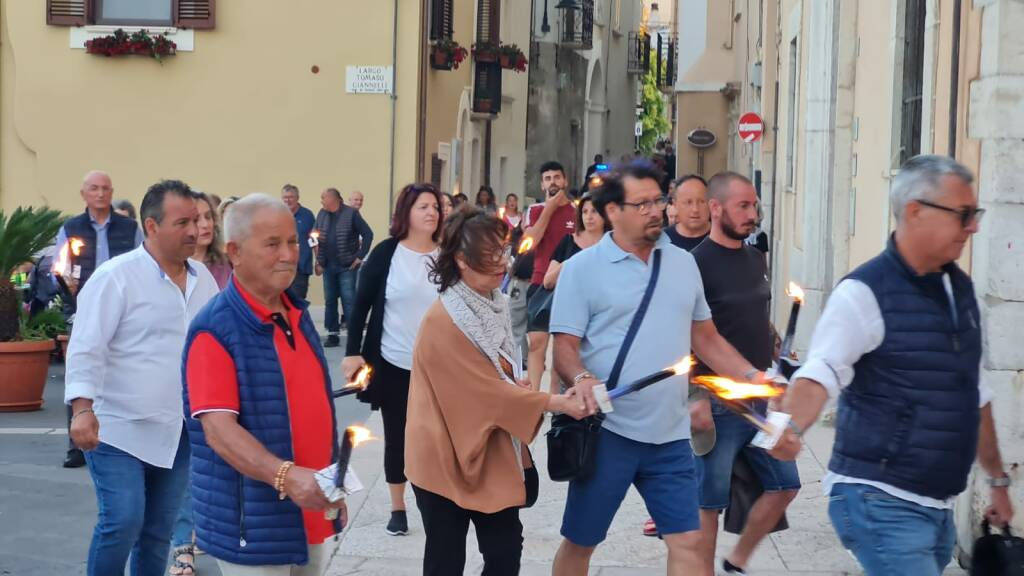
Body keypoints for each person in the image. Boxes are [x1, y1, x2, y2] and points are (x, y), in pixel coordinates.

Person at [771, 155, 1014, 576]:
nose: (973, 226)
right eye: (964, 214)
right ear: (916, 211)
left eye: (975, 214)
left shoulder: (960, 290)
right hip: (878, 499)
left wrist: (996, 480)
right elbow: (822, 370)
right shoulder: (863, 293)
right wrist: (791, 426)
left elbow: (974, 394)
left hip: (935, 507)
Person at [549, 163, 773, 576]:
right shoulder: (582, 270)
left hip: (670, 436)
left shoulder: (683, 264)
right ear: (613, 211)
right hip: (609, 432)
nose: (656, 211)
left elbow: (706, 339)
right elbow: (563, 348)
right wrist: (581, 379)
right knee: (582, 542)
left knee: (688, 542)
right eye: (643, 204)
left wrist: (753, 378)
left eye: (659, 201)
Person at [404, 207, 587, 576]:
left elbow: (495, 375)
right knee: (445, 559)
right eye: (489, 254)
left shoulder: (495, 303)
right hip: (442, 451)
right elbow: (482, 392)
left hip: (489, 444)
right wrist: (554, 403)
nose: (501, 261)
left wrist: (512, 381)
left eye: (502, 250)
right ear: (461, 259)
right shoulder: (443, 320)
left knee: (505, 552)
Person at [183, 194, 347, 575]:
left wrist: (332, 484)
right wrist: (286, 477)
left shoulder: (297, 312)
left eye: (292, 241)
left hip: (308, 510)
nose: (288, 254)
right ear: (236, 252)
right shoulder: (215, 329)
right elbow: (219, 431)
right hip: (253, 525)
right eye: (272, 244)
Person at [65, 180, 219, 576]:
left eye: (198, 219)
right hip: (117, 428)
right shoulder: (116, 277)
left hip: (179, 430)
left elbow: (217, 347)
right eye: (182, 221)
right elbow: (86, 345)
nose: (193, 230)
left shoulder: (204, 279)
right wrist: (81, 409)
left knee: (158, 531)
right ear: (151, 226)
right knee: (123, 521)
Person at [688, 172, 800, 575]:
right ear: (715, 209)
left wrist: (773, 345)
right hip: (716, 404)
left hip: (760, 399)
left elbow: (754, 315)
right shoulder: (695, 264)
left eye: (754, 206)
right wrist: (694, 398)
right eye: (743, 206)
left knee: (786, 484)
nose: (753, 214)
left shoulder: (755, 258)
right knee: (709, 505)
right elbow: (689, 335)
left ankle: (736, 562)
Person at [341, 183, 443, 537]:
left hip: (438, 369)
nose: (431, 213)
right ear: (407, 214)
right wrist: (353, 352)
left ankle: (437, 501)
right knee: (398, 436)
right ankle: (398, 506)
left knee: (436, 438)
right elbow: (360, 306)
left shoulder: (447, 255)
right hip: (393, 363)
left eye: (435, 207)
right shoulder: (386, 254)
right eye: (423, 207)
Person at [57, 170, 144, 469]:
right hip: (84, 308)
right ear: (84, 194)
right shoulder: (71, 228)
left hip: (126, 309)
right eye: (94, 188)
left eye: (106, 188)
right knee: (81, 369)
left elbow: (142, 263)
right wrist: (70, 301)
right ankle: (76, 445)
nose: (101, 194)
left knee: (123, 368)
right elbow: (60, 267)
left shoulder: (130, 228)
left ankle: (123, 436)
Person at [541, 192, 607, 393]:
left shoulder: (612, 245)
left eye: (594, 211)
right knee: (563, 359)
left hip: (601, 313)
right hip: (570, 313)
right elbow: (548, 281)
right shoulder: (568, 242)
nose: (589, 216)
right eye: (585, 211)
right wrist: (572, 263)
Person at [523, 161, 576, 391]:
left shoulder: (578, 212)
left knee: (562, 346)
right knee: (536, 342)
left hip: (570, 285)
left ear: (565, 181)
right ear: (541, 184)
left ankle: (555, 398)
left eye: (556, 177)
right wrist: (549, 208)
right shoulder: (534, 211)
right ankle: (534, 396)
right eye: (547, 178)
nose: (552, 182)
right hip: (539, 282)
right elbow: (530, 242)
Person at [315, 187, 374, 347]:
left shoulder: (351, 214)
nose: (321, 201)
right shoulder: (321, 214)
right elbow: (315, 237)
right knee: (330, 301)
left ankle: (353, 336)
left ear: (333, 199)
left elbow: (368, 234)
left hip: (347, 266)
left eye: (323, 198)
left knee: (349, 300)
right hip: (328, 265)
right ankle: (332, 334)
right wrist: (318, 261)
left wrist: (360, 257)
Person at [281, 184, 317, 300]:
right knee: (281, 302)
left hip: (301, 267)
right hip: (281, 267)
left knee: (298, 301)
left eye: (291, 197)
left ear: (297, 198)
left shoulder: (307, 215)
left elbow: (314, 239)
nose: (287, 200)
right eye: (285, 197)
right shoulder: (277, 215)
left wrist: (319, 260)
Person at [192, 192, 233, 290]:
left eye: (208, 217)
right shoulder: (171, 268)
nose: (205, 224)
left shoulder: (228, 264)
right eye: (196, 219)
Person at [665, 175, 710, 251]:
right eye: (688, 202)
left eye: (701, 202)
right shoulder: (662, 241)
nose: (695, 209)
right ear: (675, 204)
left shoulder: (724, 238)